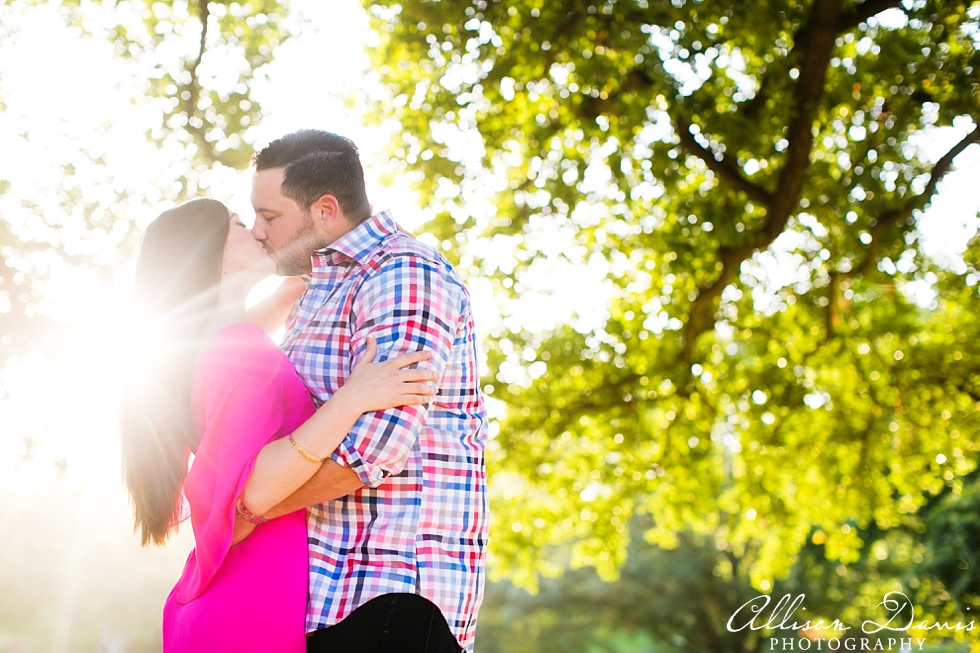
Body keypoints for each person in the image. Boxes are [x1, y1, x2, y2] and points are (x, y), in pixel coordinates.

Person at [119, 198, 440, 652]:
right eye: (237, 223)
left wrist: (298, 283)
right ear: (210, 253)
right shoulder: (241, 345)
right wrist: (353, 399)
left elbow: (243, 337)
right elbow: (253, 488)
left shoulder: (203, 346)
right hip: (253, 600)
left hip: (225, 599)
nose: (257, 231)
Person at [249, 130, 489, 653]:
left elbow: (374, 448)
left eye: (269, 217)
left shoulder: (403, 271)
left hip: (389, 599)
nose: (257, 231)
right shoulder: (321, 288)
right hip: (330, 600)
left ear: (326, 210)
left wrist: (245, 512)